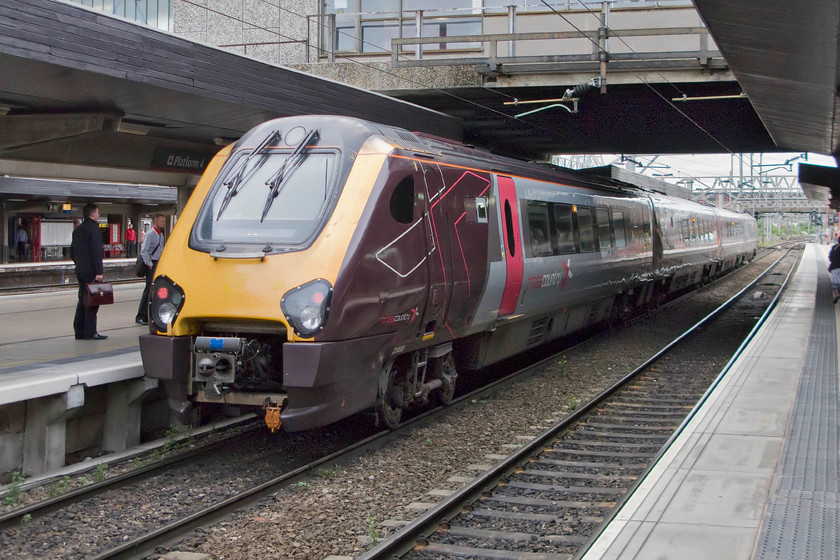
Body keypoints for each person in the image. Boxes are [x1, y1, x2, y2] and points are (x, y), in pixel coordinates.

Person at [71, 203, 107, 340]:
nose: (98, 214)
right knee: (92, 302)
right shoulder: (94, 229)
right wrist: (98, 272)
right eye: (98, 212)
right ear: (93, 214)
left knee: (82, 300)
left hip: (80, 270)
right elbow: (96, 252)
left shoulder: (78, 230)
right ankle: (91, 331)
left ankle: (79, 331)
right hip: (91, 271)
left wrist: (79, 264)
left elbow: (72, 251)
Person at [136, 214, 166, 325]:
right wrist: (150, 264)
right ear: (155, 222)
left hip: (158, 263)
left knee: (155, 291)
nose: (163, 223)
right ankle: (141, 315)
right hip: (152, 264)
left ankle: (150, 314)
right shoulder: (150, 235)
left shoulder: (161, 235)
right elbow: (144, 251)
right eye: (161, 221)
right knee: (148, 290)